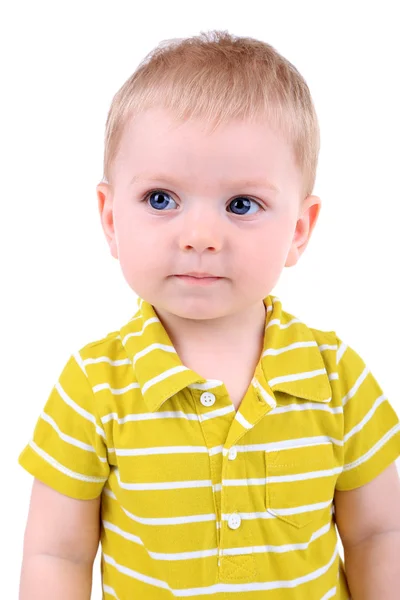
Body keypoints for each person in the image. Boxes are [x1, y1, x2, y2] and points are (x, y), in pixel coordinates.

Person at [18, 30, 400, 599]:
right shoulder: (94, 387)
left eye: (241, 204)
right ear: (111, 217)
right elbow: (57, 553)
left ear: (299, 230)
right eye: (161, 199)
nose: (200, 237)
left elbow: (378, 534)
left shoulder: (335, 377)